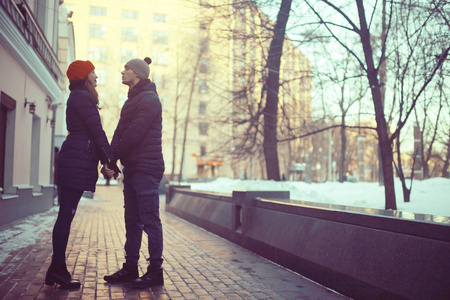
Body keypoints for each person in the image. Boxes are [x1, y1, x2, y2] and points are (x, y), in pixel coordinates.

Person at [45, 60, 119, 289]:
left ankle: (55, 269)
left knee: (65, 216)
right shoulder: (82, 97)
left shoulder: (80, 97)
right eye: (93, 73)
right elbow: (96, 131)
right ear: (85, 76)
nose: (96, 76)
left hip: (75, 160)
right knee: (66, 216)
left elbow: (92, 133)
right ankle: (58, 269)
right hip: (75, 162)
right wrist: (110, 161)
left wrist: (106, 161)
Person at [103, 57, 165, 288]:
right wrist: (110, 159)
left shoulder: (150, 100)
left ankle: (155, 271)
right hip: (134, 168)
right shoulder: (131, 101)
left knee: (150, 221)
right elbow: (120, 132)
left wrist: (114, 156)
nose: (122, 71)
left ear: (138, 74)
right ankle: (130, 268)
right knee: (132, 221)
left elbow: (134, 133)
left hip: (147, 168)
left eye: (127, 68)